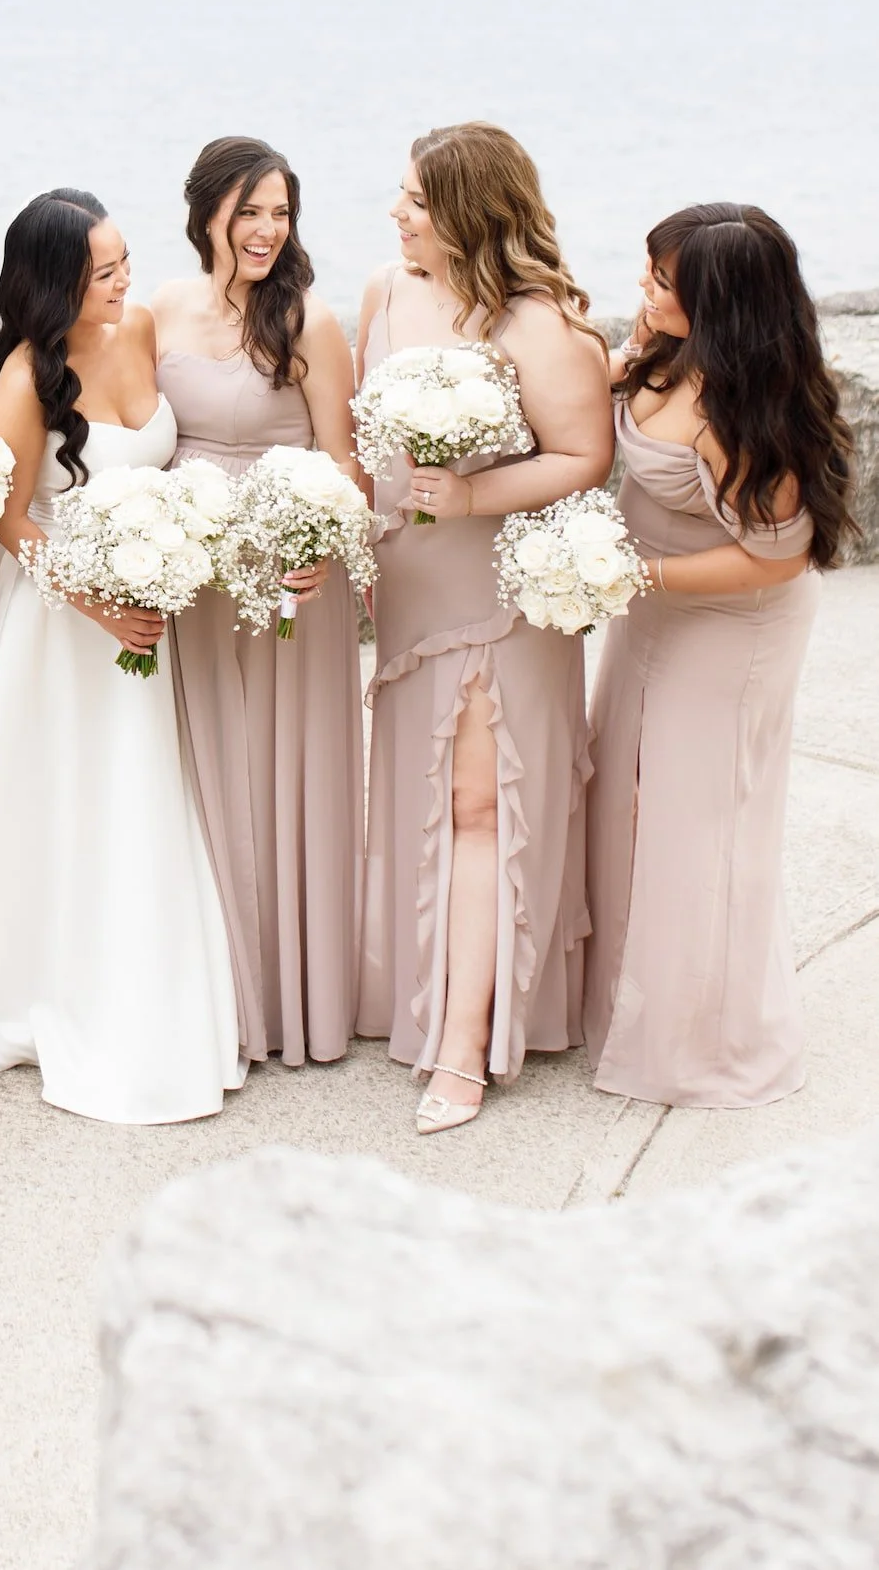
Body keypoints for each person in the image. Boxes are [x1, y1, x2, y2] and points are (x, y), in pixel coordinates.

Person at [0, 189, 243, 1125]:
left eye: (120, 264)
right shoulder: (27, 378)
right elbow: (6, 515)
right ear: (52, 281)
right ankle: (46, 985)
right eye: (100, 272)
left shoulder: (142, 325)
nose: (120, 283)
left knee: (141, 788)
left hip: (147, 598)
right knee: (67, 789)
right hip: (65, 617)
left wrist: (176, 547)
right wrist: (99, 604)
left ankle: (148, 982)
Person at [356, 122, 612, 1134]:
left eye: (415, 199)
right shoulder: (385, 292)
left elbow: (581, 453)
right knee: (419, 795)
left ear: (465, 213)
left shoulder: (537, 325)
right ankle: (417, 996)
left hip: (496, 592)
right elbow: (352, 427)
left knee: (477, 807)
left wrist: (467, 499)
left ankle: (463, 1046)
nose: (396, 213)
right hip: (407, 579)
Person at [584, 204, 853, 1107]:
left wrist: (637, 574)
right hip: (649, 604)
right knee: (622, 793)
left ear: (718, 303)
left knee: (696, 820)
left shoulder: (752, 411)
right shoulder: (663, 349)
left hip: (733, 625)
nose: (645, 290)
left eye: (662, 281)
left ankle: (703, 1037)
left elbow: (771, 557)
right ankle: (625, 1001)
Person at [152, 137, 363, 1066]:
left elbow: (341, 457)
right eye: (249, 212)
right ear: (206, 213)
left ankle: (290, 1004)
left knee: (282, 775)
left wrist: (317, 549)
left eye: (280, 212)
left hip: (286, 579)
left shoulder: (309, 321)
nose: (267, 231)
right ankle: (206, 994)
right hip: (190, 575)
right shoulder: (157, 309)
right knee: (201, 777)